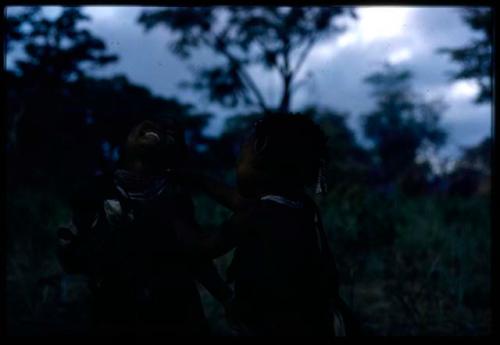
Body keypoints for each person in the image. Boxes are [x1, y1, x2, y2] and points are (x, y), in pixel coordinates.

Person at [172, 112, 357, 337]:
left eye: (241, 158)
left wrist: (172, 212)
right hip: (313, 321)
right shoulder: (302, 207)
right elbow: (238, 200)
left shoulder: (255, 215)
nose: (237, 164)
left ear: (261, 160)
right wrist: (197, 179)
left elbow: (202, 248)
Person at [57, 118, 233, 336]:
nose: (156, 128)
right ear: (124, 142)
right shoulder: (94, 191)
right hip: (116, 312)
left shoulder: (176, 196)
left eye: (168, 132)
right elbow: (73, 259)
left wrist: (225, 297)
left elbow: (195, 256)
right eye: (145, 126)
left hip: (176, 311)